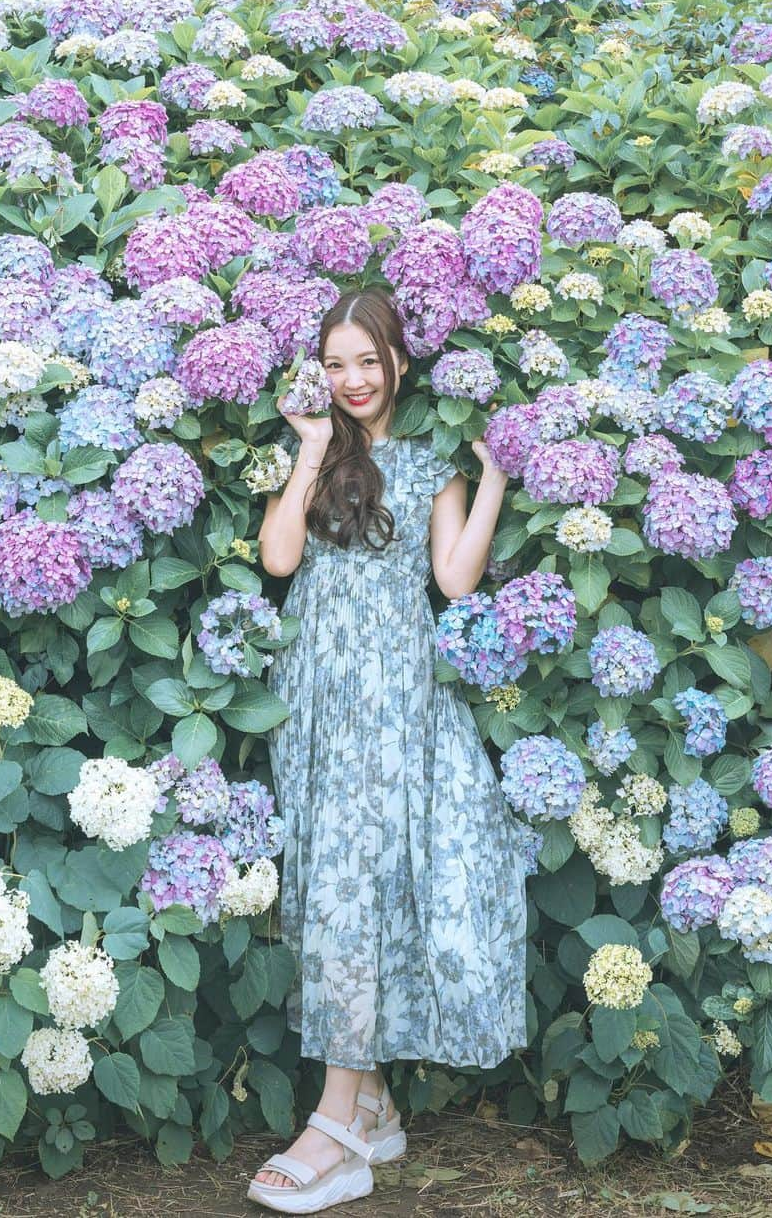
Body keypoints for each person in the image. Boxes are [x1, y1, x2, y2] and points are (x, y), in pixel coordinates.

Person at [247, 288, 528, 1214]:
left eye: (368, 361)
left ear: (401, 362)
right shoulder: (326, 456)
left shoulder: (428, 461)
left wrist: (489, 477)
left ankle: (336, 1129)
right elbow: (280, 561)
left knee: (359, 891)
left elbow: (453, 577)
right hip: (319, 704)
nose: (353, 380)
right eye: (336, 364)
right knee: (333, 881)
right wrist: (312, 449)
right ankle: (369, 1106)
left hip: (396, 703)